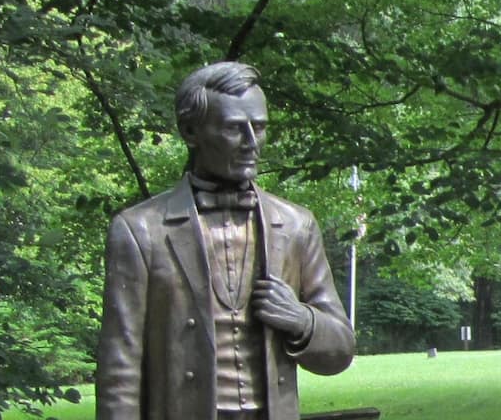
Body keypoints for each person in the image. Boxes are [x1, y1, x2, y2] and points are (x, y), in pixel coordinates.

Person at [98, 62, 354, 420]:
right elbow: (119, 365)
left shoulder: (296, 225)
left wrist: (301, 320)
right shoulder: (141, 230)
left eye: (260, 127)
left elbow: (341, 350)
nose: (252, 143)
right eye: (234, 128)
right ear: (191, 131)